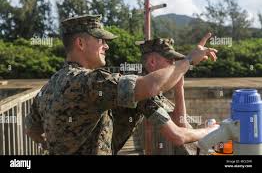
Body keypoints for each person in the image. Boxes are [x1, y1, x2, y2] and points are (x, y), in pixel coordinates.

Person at [25, 14, 219, 155]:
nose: (106, 45)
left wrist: (52, 147)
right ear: (80, 43)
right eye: (100, 39)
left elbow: (31, 129)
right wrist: (187, 62)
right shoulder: (89, 81)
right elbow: (148, 88)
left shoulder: (50, 85)